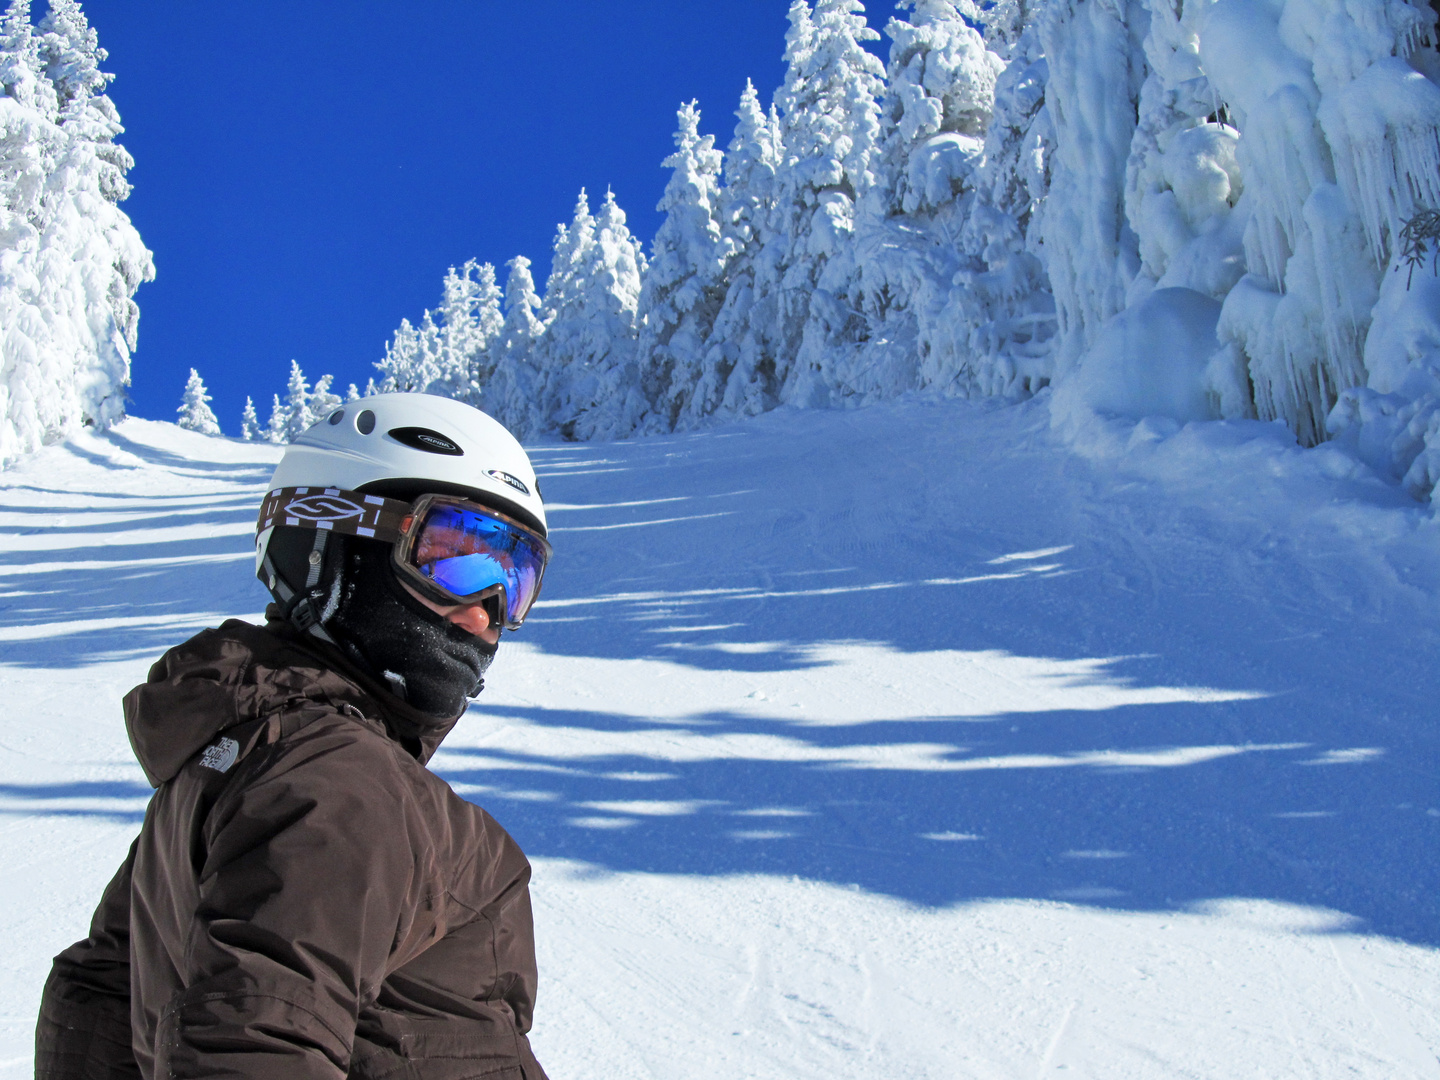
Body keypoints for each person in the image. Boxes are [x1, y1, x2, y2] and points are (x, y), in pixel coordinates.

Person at [35, 394, 553, 1079]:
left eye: (514, 580)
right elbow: (256, 1045)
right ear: (329, 538)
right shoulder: (342, 779)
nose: (485, 612)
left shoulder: (232, 764)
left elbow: (98, 1000)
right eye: (455, 555)